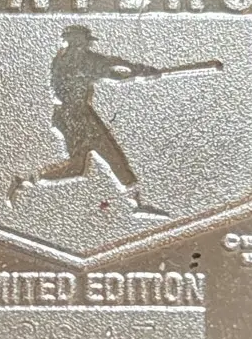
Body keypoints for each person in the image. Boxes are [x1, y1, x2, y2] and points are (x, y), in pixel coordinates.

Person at [9, 25, 169, 217]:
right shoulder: (77, 61)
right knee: (90, 161)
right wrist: (139, 72)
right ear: (77, 42)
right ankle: (26, 181)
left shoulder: (67, 59)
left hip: (76, 114)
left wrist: (137, 71)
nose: (86, 45)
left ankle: (136, 203)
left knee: (99, 158)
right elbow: (110, 70)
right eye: (84, 42)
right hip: (74, 116)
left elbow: (110, 66)